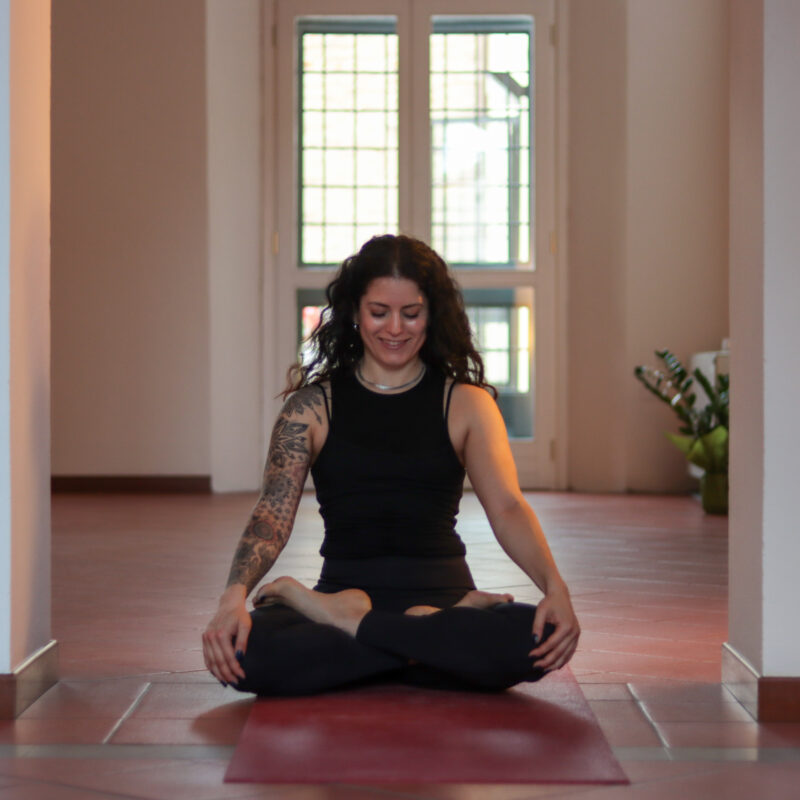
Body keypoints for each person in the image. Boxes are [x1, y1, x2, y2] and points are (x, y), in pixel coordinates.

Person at [202, 234, 580, 695]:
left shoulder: (466, 404)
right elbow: (272, 513)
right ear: (354, 312)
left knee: (540, 638)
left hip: (440, 594)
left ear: (432, 314)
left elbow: (507, 508)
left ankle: (353, 625)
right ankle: (422, 642)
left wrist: (555, 589)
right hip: (351, 589)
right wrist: (233, 598)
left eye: (411, 313)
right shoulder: (311, 408)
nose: (395, 328)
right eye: (379, 312)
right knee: (246, 653)